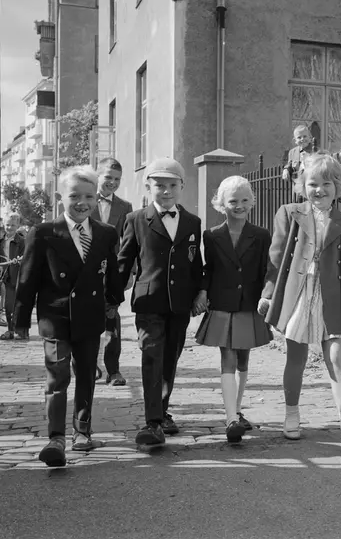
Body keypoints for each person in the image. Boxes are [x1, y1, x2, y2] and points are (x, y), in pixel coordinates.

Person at [259, 152, 341, 452]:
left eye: (327, 184)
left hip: (332, 296)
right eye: (312, 184)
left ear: (338, 187)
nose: (319, 190)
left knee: (336, 357)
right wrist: (268, 294)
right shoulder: (289, 213)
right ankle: (291, 414)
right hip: (298, 293)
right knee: (296, 358)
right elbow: (275, 258)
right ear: (301, 186)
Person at [13, 166, 124, 466]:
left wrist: (114, 302)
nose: (82, 203)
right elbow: (27, 278)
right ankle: (56, 438)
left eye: (88, 196)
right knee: (57, 375)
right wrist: (21, 321)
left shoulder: (105, 232)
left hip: (90, 315)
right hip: (56, 316)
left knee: (86, 373)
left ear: (96, 198)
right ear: (60, 197)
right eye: (74, 196)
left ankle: (82, 430)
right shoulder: (44, 232)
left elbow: (112, 272)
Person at [118, 157, 205, 448]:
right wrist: (112, 297)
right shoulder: (136, 219)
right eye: (159, 185)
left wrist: (201, 291)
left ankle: (163, 411)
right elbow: (124, 260)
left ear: (182, 186)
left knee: (170, 358)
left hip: (180, 304)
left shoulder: (192, 222)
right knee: (152, 355)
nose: (166, 191)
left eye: (172, 185)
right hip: (149, 301)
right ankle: (152, 422)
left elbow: (196, 262)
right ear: (149, 187)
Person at [195, 176, 272, 443]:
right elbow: (209, 268)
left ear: (251, 202)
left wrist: (267, 296)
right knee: (227, 357)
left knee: (243, 360)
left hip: (249, 305)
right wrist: (203, 292)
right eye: (232, 201)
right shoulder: (212, 235)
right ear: (221, 204)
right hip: (222, 304)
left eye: (244, 200)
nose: (239, 206)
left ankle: (237, 411)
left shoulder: (261, 235)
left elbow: (267, 270)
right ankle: (230, 419)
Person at [90, 157, 133, 386]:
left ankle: (113, 370)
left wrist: (130, 273)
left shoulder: (125, 207)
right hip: (84, 272)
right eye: (108, 177)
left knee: (112, 322)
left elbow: (129, 243)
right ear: (98, 175)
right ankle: (89, 365)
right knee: (85, 321)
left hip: (112, 274)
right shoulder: (84, 200)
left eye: (117, 179)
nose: (112, 183)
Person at [0, 212, 25, 340]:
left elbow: (26, 256)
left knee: (20, 305)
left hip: (19, 276)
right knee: (8, 305)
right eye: (8, 225)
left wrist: (19, 260)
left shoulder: (22, 241)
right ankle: (10, 330)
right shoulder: (1, 240)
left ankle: (21, 330)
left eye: (13, 225)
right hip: (6, 276)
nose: (9, 228)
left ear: (18, 226)